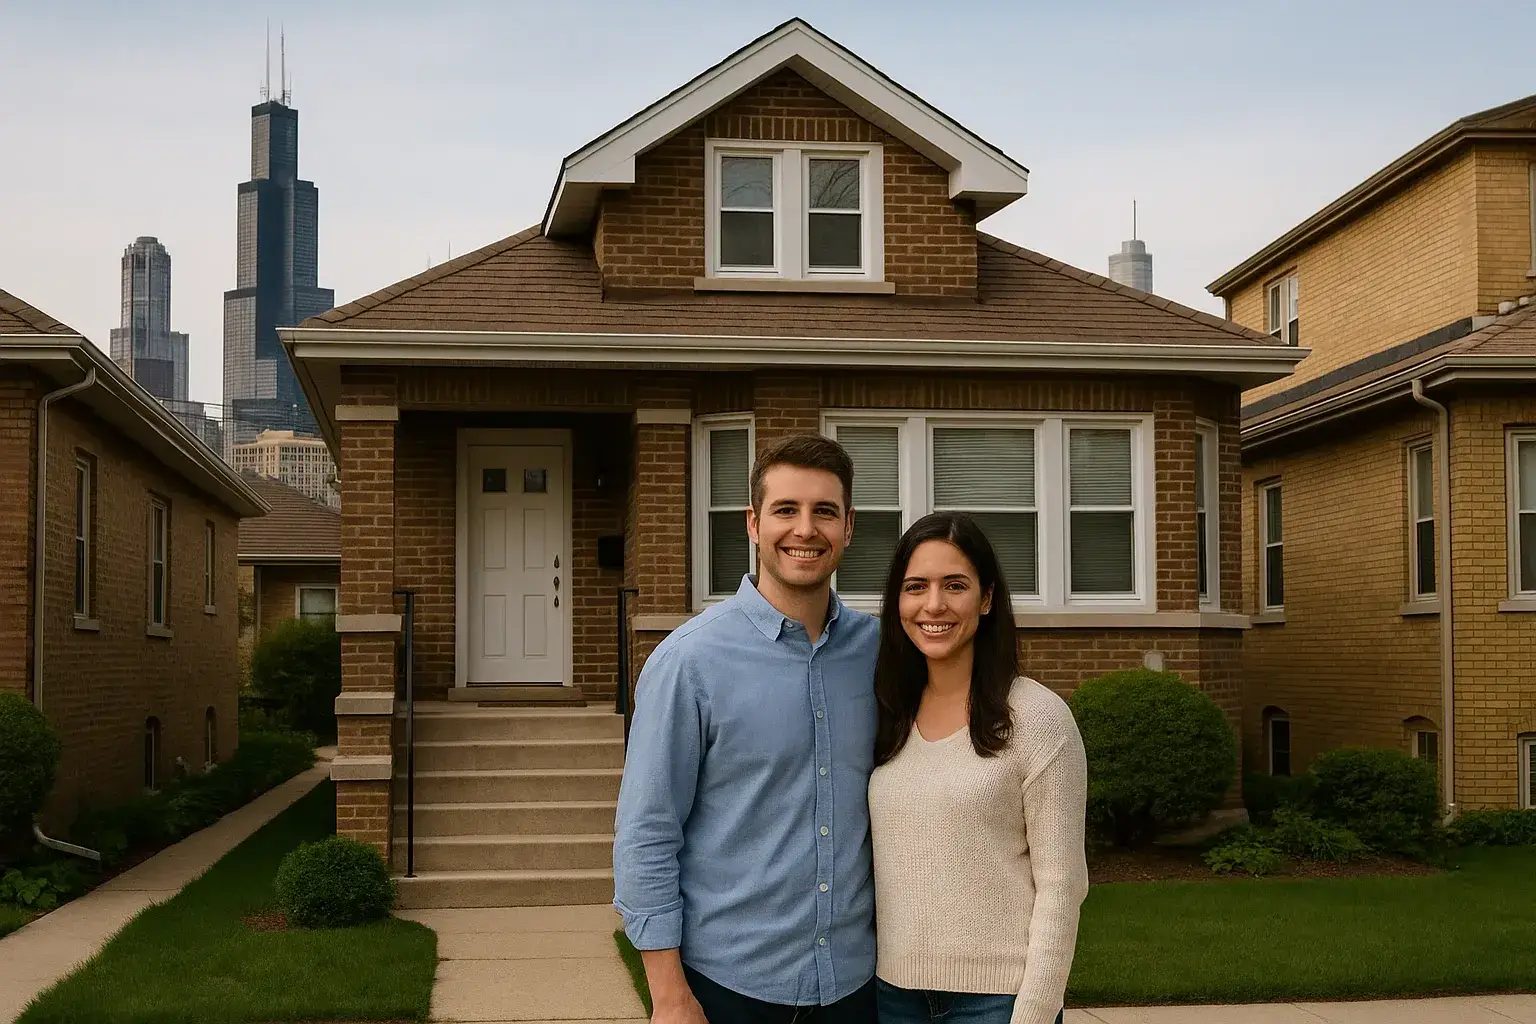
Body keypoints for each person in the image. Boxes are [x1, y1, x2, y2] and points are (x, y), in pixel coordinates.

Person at [614, 433, 881, 1024]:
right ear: (754, 524)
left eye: (825, 512)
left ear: (849, 526)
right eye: (786, 510)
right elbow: (647, 834)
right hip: (729, 991)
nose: (805, 529)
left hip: (857, 988)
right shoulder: (689, 663)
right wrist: (668, 995)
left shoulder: (878, 652)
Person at [868, 512, 1088, 1024]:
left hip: (997, 1001)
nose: (934, 605)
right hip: (893, 995)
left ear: (987, 599)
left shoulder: (1038, 719)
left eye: (955, 586)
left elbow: (1062, 884)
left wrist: (1034, 1011)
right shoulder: (887, 712)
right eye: (915, 587)